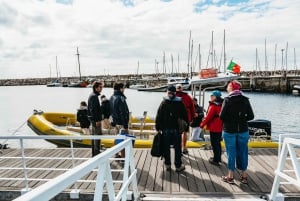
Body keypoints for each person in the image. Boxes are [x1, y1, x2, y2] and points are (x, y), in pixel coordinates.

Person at [220, 80, 254, 184]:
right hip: (243, 130)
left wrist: (230, 120)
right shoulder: (245, 100)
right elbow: (251, 116)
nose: (227, 88)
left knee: (231, 152)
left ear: (231, 88)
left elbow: (221, 116)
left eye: (228, 86)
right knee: (243, 152)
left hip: (229, 130)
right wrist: (241, 119)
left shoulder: (227, 100)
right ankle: (244, 176)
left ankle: (230, 176)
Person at [155, 85, 188, 172]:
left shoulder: (164, 102)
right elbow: (185, 116)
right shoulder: (180, 102)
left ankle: (168, 164)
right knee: (177, 148)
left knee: (166, 147)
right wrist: (186, 128)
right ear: (175, 93)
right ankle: (178, 166)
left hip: (165, 129)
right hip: (177, 129)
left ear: (167, 92)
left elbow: (159, 115)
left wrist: (157, 127)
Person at [200, 90, 223, 166]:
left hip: (214, 127)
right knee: (218, 143)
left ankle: (216, 160)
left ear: (215, 97)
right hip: (220, 126)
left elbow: (208, 117)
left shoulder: (213, 106)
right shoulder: (222, 104)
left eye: (211, 96)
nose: (210, 97)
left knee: (214, 144)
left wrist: (202, 125)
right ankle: (218, 157)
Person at [110, 82, 130, 158]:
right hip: (121, 123)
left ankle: (116, 154)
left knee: (117, 138)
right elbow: (123, 112)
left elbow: (110, 110)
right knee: (124, 141)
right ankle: (123, 158)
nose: (124, 89)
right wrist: (125, 125)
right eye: (123, 88)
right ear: (121, 89)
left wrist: (112, 121)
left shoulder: (111, 97)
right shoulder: (121, 98)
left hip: (115, 122)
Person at [175, 83, 195, 154]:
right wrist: (192, 118)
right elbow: (192, 108)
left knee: (178, 133)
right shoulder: (187, 96)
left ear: (176, 89)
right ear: (182, 89)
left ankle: (179, 148)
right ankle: (184, 147)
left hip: (177, 117)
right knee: (185, 132)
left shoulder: (173, 96)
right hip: (186, 116)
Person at [87, 81, 103, 157]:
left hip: (93, 119)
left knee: (94, 136)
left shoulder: (93, 95)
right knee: (97, 136)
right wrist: (97, 120)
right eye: (100, 87)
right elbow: (93, 110)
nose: (101, 89)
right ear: (96, 88)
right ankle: (96, 153)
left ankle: (95, 153)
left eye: (102, 87)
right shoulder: (94, 96)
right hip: (95, 120)